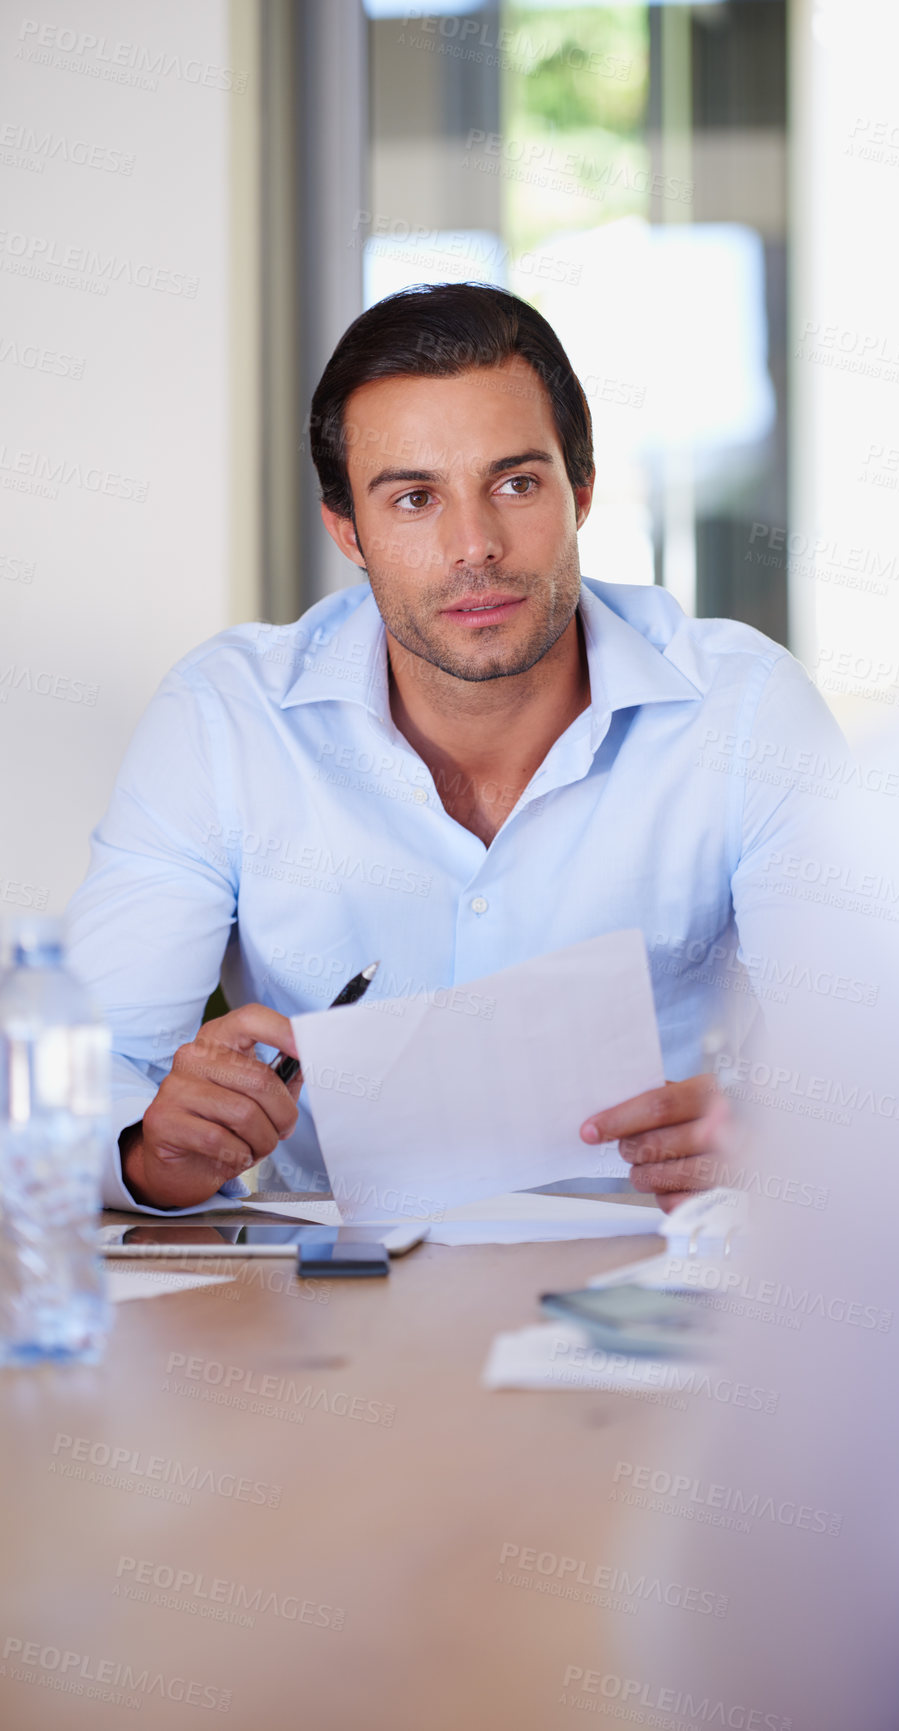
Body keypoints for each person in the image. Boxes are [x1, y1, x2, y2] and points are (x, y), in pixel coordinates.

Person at [66, 283, 843, 1214]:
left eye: (515, 484)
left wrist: (783, 1133)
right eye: (414, 499)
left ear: (580, 493)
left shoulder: (745, 709)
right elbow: (78, 1070)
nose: (475, 546)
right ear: (347, 530)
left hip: (652, 1293)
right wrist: (148, 1151)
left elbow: (884, 1058)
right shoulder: (225, 719)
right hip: (328, 1308)